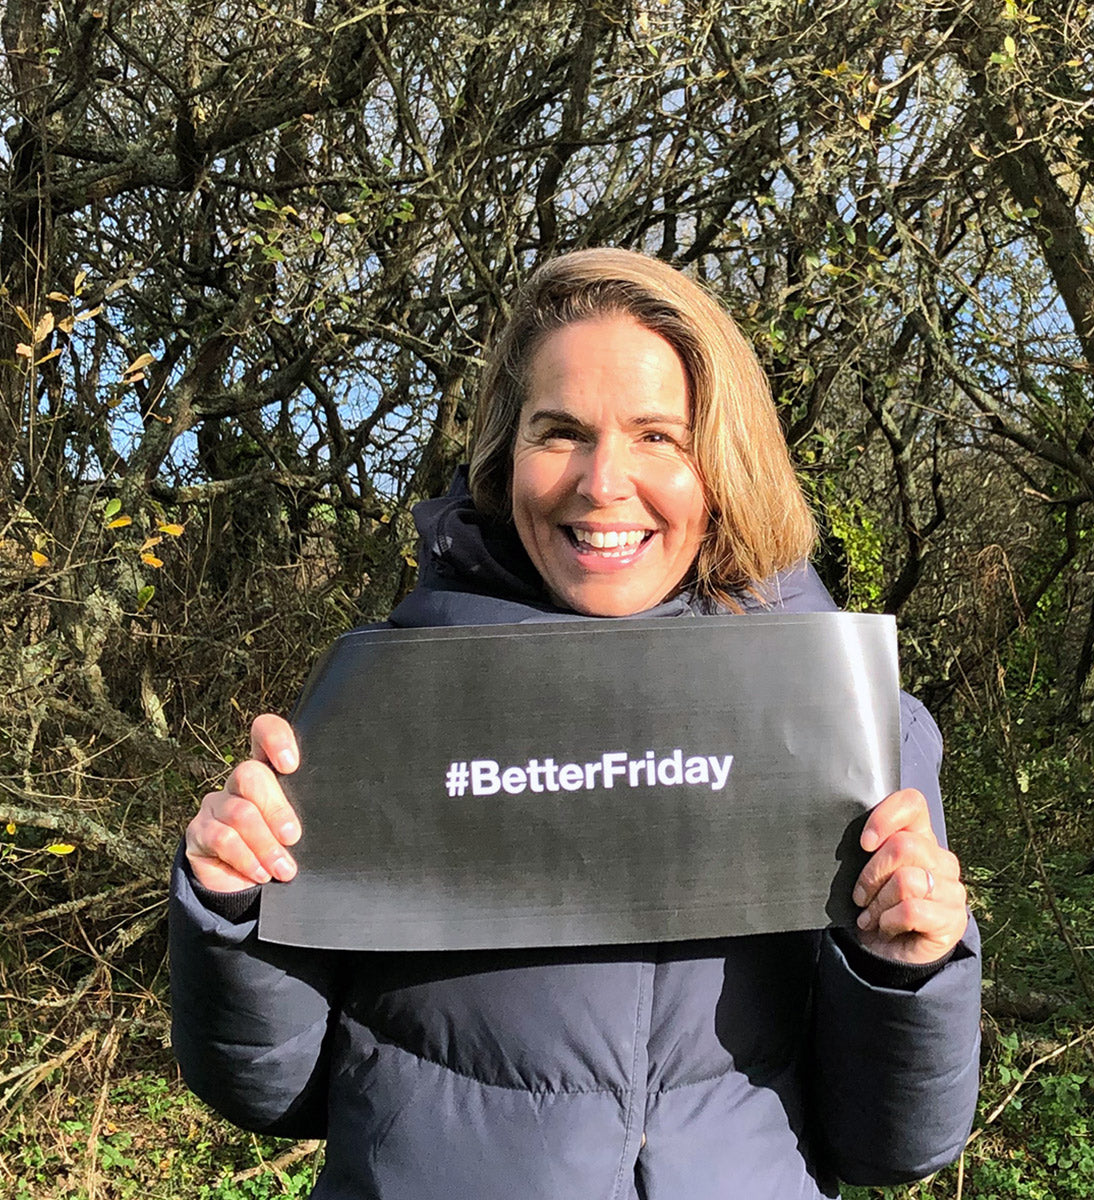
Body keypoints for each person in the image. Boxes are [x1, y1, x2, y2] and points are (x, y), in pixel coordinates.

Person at [171, 248, 980, 1200]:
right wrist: (233, 907)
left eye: (657, 437)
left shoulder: (850, 722)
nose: (603, 482)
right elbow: (270, 1089)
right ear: (505, 452)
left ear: (723, 459)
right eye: (560, 431)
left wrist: (910, 965)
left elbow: (891, 1148)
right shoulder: (389, 706)